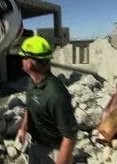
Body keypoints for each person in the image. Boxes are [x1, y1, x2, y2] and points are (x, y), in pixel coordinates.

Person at [17, 36, 78, 164]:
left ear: (29, 63)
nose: (21, 61)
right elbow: (30, 106)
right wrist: (23, 128)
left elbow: (70, 136)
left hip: (55, 151)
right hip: (36, 145)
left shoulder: (56, 94)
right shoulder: (31, 82)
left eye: (23, 57)